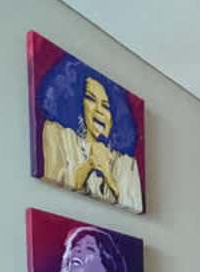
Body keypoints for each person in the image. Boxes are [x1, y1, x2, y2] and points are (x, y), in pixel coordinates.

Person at [41, 75, 144, 213]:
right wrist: (90, 164)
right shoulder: (59, 136)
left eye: (106, 106)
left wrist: (109, 176)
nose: (99, 110)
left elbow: (132, 202)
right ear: (78, 102)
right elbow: (53, 190)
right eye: (90, 99)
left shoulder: (128, 164)